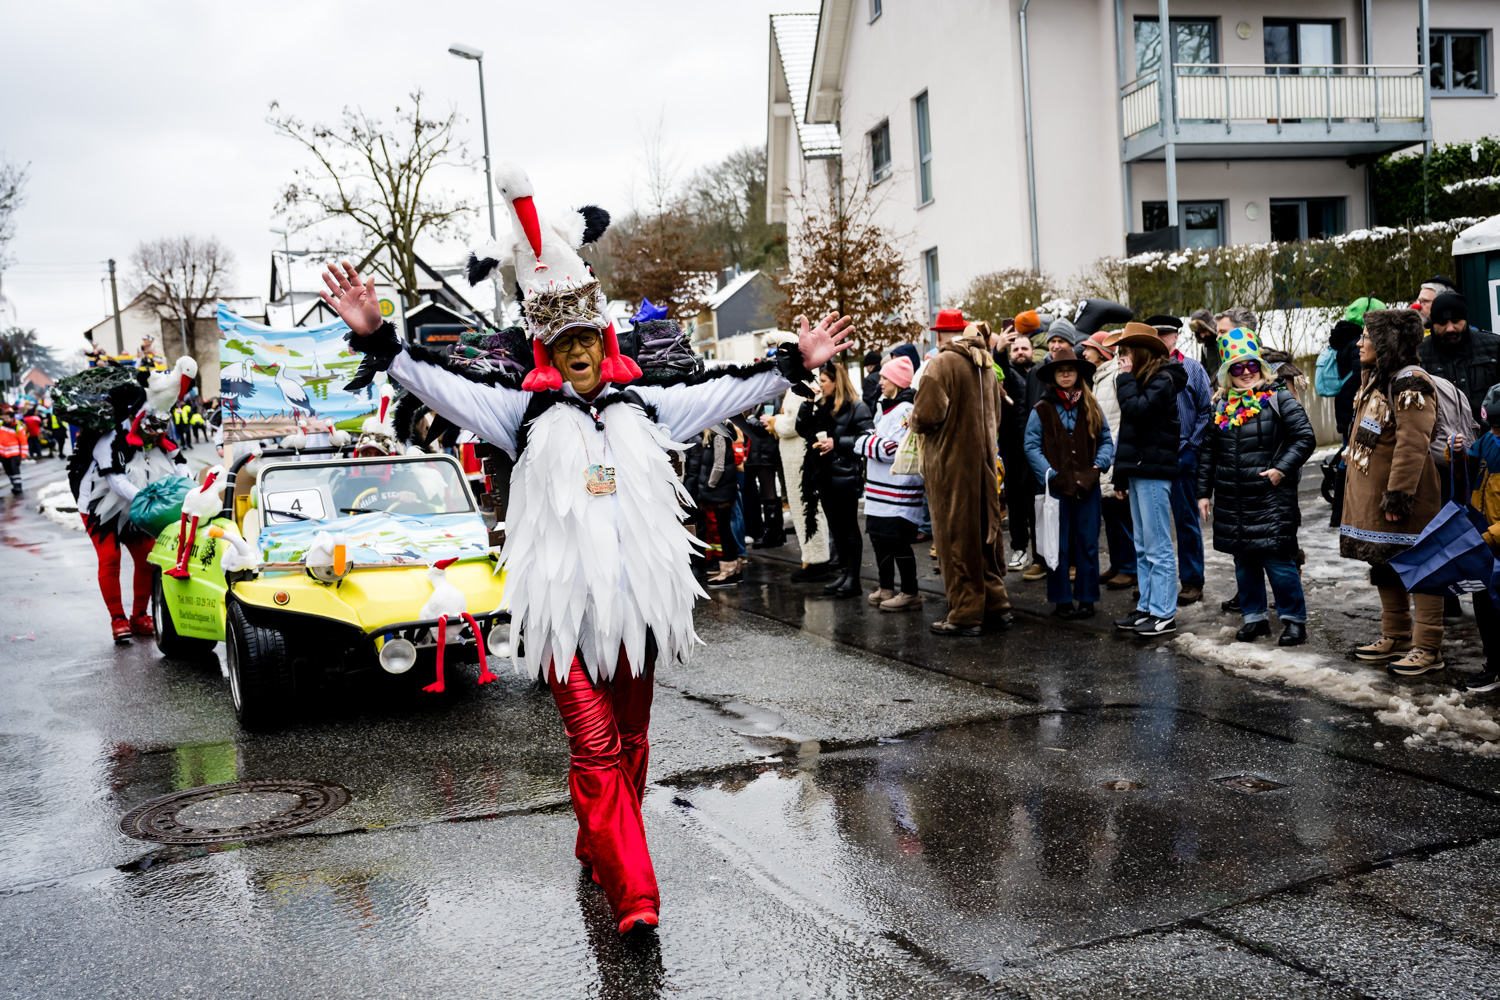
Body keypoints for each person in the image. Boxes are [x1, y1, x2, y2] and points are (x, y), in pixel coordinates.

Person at [321, 181, 853, 935]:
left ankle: (598, 839)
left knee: (631, 744)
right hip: (565, 619)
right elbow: (431, 380)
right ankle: (636, 895)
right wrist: (379, 337)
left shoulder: (649, 404)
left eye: (586, 339)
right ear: (546, 348)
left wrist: (792, 361)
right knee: (597, 748)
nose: (577, 353)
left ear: (603, 339)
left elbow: (729, 391)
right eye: (563, 343)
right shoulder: (520, 412)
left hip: (637, 612)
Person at [1341, 309, 1446, 677]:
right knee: (1383, 562)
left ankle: (1428, 647)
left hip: (1405, 501)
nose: (1358, 343)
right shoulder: (1378, 378)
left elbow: (1412, 445)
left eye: (1366, 337)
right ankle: (1397, 635)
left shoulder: (1411, 381)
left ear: (1386, 342)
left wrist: (1397, 496)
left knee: (1422, 567)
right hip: (1375, 504)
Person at [1196, 328, 1317, 646]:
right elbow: (1208, 452)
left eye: (1251, 365)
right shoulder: (1220, 406)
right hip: (1232, 499)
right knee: (1244, 561)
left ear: (1261, 368)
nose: (1245, 372)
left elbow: (1305, 438)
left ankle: (1293, 621)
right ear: (1228, 374)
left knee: (1278, 561)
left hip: (1270, 496)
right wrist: (1202, 495)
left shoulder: (1279, 398)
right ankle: (1255, 619)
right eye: (1237, 367)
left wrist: (1281, 469)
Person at [70, 362, 196, 641]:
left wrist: (189, 490)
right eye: (151, 426)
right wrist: (147, 501)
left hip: (137, 509)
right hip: (100, 507)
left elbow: (180, 465)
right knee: (110, 557)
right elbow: (116, 481)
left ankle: (140, 616)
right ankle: (118, 619)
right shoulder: (112, 439)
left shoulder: (159, 436)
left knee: (148, 558)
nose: (156, 434)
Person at [912, 316, 1013, 636]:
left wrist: (912, 421)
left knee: (956, 539)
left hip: (951, 466)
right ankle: (996, 604)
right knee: (984, 534)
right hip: (983, 462)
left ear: (941, 334)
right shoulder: (985, 364)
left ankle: (966, 612)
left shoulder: (942, 364)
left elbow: (926, 415)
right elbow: (997, 414)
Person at [1111, 323, 1189, 637]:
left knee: (1158, 547)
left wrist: (1125, 379)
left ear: (1140, 353)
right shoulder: (1143, 380)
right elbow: (1128, 435)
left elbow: (1137, 413)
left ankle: (1164, 613)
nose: (1120, 359)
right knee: (1143, 546)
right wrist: (1120, 477)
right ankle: (1147, 606)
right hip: (1139, 471)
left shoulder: (1163, 379)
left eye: (1125, 352)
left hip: (1155, 473)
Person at [1024, 345, 1113, 619]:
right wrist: (1049, 474)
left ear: (1077, 374)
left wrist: (1099, 465)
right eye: (1061, 371)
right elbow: (1031, 446)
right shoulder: (1041, 409)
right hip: (1056, 490)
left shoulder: (1091, 404)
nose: (1066, 375)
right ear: (1054, 376)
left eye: (1070, 370)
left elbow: (1107, 439)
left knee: (1087, 543)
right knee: (1057, 545)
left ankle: (1087, 598)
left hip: (1088, 486)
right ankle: (1062, 599)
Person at [1144, 314, 1212, 606]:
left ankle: (1192, 581)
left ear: (1176, 336)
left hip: (1183, 454)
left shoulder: (1192, 368)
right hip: (1152, 456)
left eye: (1166, 334)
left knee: (1185, 520)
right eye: (1155, 334)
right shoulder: (1142, 370)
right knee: (1153, 524)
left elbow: (1206, 412)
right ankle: (1154, 582)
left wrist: (1191, 447)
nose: (1161, 338)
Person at [797, 360, 873, 598]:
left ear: (835, 382)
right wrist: (808, 403)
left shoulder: (857, 407)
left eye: (823, 381)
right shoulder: (822, 406)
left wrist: (837, 443)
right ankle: (844, 573)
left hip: (846, 477)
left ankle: (854, 579)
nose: (819, 385)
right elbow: (803, 429)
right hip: (825, 476)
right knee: (837, 529)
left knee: (849, 528)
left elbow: (867, 440)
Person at [856, 355, 923, 612]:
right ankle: (886, 586)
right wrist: (870, 441)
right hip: (878, 490)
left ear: (897, 381)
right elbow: (877, 441)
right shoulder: (885, 407)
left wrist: (864, 443)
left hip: (898, 490)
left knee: (897, 540)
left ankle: (910, 591)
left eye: (884, 377)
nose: (879, 382)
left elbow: (892, 449)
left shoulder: (906, 411)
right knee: (879, 538)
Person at [1086, 331, 1135, 590]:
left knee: (1122, 515)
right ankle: (1117, 564)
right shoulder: (1099, 377)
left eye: (1089, 348)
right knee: (1111, 516)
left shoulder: (1115, 375)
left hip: (1115, 455)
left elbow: (1122, 418)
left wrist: (1114, 454)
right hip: (1103, 455)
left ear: (1102, 352)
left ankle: (1129, 568)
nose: (1084, 353)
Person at [1459, 382, 1500, 692]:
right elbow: (1466, 468)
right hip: (1484, 541)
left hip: (1492, 537)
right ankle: (1494, 664)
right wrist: (1456, 453)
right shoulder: (1486, 441)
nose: (1496, 434)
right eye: (1494, 427)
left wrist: (1490, 535)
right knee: (1484, 606)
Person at [1417, 290, 1497, 423]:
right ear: (1433, 324)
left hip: (1489, 436)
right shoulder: (1420, 354)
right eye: (1443, 323)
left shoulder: (1493, 346)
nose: (1450, 328)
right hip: (1443, 439)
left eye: (1455, 321)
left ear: (1465, 319)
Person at [687, 421, 745, 588]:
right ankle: (734, 569)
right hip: (720, 490)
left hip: (719, 491)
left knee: (724, 530)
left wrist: (708, 486)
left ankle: (728, 571)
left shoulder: (719, 434)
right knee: (724, 529)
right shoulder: (714, 433)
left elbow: (718, 466)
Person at [998, 327, 1038, 571]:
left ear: (1032, 351)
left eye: (1024, 348)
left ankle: (1041, 554)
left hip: (1036, 447)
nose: (1020, 352)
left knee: (1036, 502)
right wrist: (1000, 349)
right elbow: (998, 365)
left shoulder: (1039, 373)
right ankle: (1020, 548)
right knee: (1015, 500)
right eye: (1016, 349)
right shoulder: (1008, 372)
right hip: (1013, 446)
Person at [0, 405, 23, 494]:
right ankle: (14, 485)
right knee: (8, 470)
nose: (5, 419)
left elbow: (23, 442)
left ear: (12, 417)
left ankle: (18, 487)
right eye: (4, 417)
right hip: (3, 454)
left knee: (15, 470)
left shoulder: (18, 427)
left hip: (14, 454)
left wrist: (23, 455)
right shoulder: (1, 425)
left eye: (7, 417)